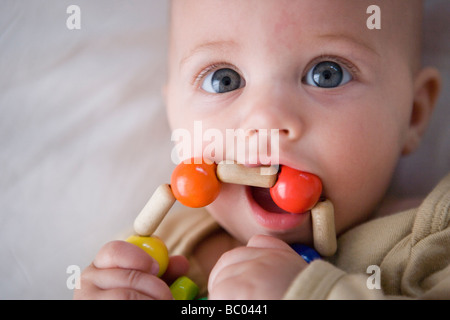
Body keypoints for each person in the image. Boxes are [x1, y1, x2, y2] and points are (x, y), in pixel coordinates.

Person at [74, 0, 449, 300]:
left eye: (327, 73)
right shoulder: (153, 250)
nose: (266, 120)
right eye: (224, 80)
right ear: (174, 116)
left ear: (413, 114)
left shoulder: (432, 237)